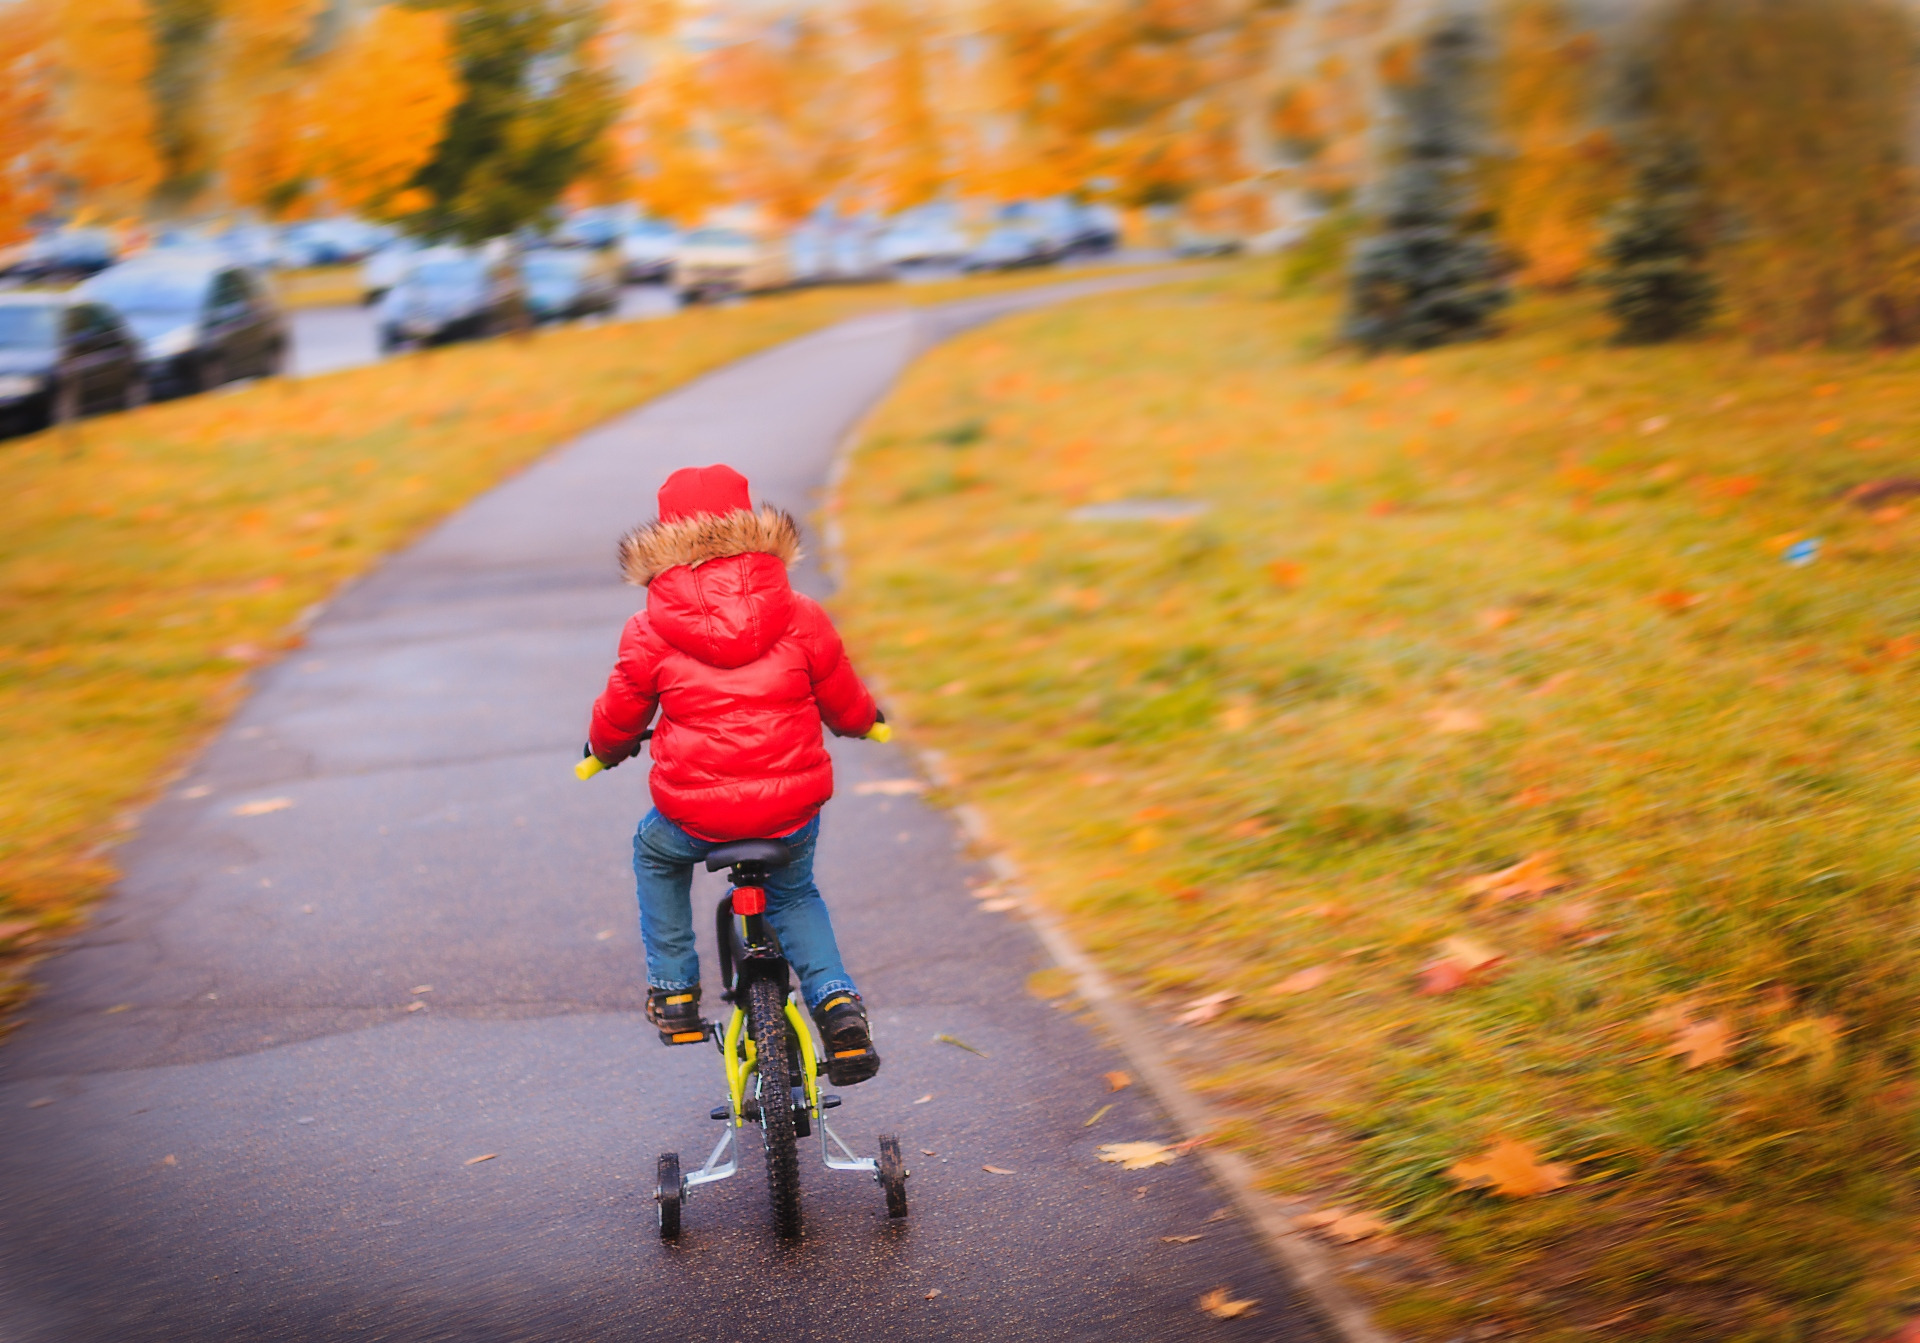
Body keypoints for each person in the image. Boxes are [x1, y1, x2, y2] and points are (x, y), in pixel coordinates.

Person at [584, 463, 885, 1085]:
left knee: (656, 855)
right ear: (754, 526)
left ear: (664, 537)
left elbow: (621, 713)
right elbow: (843, 696)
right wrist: (866, 723)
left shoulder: (648, 629)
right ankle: (836, 1002)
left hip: (695, 816)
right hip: (788, 809)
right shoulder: (801, 613)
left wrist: (603, 749)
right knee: (794, 892)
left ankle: (674, 992)